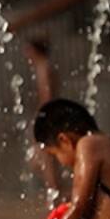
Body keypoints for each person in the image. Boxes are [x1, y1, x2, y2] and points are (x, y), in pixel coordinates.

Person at [22, 37, 67, 206]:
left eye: (28, 50)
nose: (26, 54)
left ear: (35, 50)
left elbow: (47, 96)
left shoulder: (43, 68)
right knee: (45, 158)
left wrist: (42, 117)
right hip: (51, 115)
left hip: (48, 116)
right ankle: (56, 194)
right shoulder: (46, 67)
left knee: (46, 158)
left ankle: (56, 195)